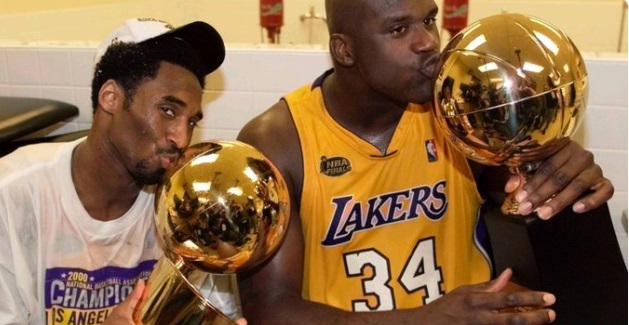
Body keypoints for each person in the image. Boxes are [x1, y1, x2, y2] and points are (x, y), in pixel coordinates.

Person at [235, 0, 614, 324]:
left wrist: (563, 176)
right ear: (344, 50)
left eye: (429, 20)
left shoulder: (465, 112)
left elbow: (526, 196)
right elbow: (270, 310)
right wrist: (423, 320)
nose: (428, 43)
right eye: (399, 29)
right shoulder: (278, 141)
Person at [0, 18, 245, 325]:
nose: (182, 139)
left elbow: (216, 312)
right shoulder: (13, 194)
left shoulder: (186, 209)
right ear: (110, 98)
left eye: (191, 121)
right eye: (168, 110)